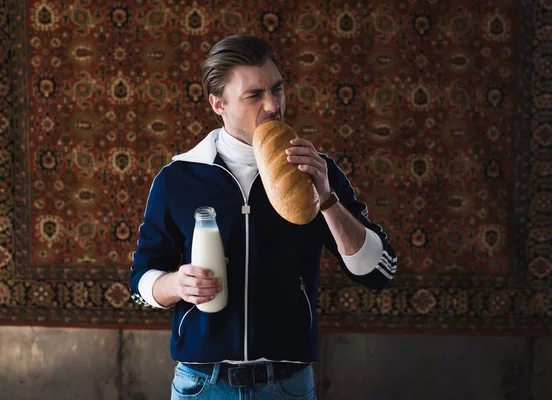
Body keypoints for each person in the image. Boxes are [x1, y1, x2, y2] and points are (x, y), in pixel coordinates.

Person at [129, 34, 397, 400]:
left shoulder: (317, 172)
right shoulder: (178, 178)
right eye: (254, 95)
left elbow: (378, 272)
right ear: (218, 103)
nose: (273, 105)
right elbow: (141, 281)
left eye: (277, 89)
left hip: (287, 384)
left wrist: (328, 200)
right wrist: (176, 285)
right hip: (200, 385)